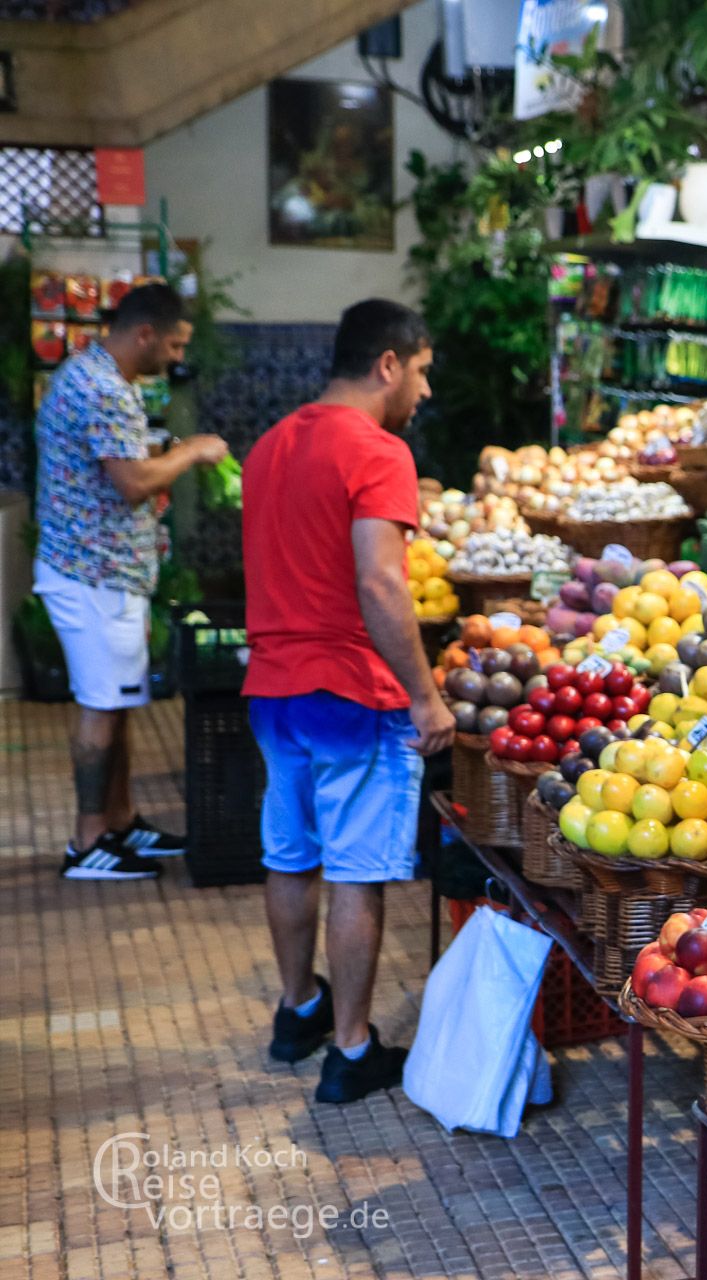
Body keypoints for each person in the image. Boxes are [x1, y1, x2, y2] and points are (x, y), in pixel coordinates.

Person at [241, 298, 453, 1103]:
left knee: (289, 854)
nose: (425, 392)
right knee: (357, 874)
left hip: (272, 688)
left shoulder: (270, 445)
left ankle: (298, 1011)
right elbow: (378, 581)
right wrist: (425, 699)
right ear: (388, 364)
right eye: (423, 371)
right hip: (353, 694)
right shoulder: (377, 450)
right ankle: (352, 1050)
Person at [34, 282, 228, 881]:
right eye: (172, 344)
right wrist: (191, 451)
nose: (176, 357)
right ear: (144, 333)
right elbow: (133, 482)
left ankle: (120, 821)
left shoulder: (94, 375)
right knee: (100, 707)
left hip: (106, 574)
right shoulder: (102, 389)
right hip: (93, 576)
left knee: (117, 705)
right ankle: (89, 840)